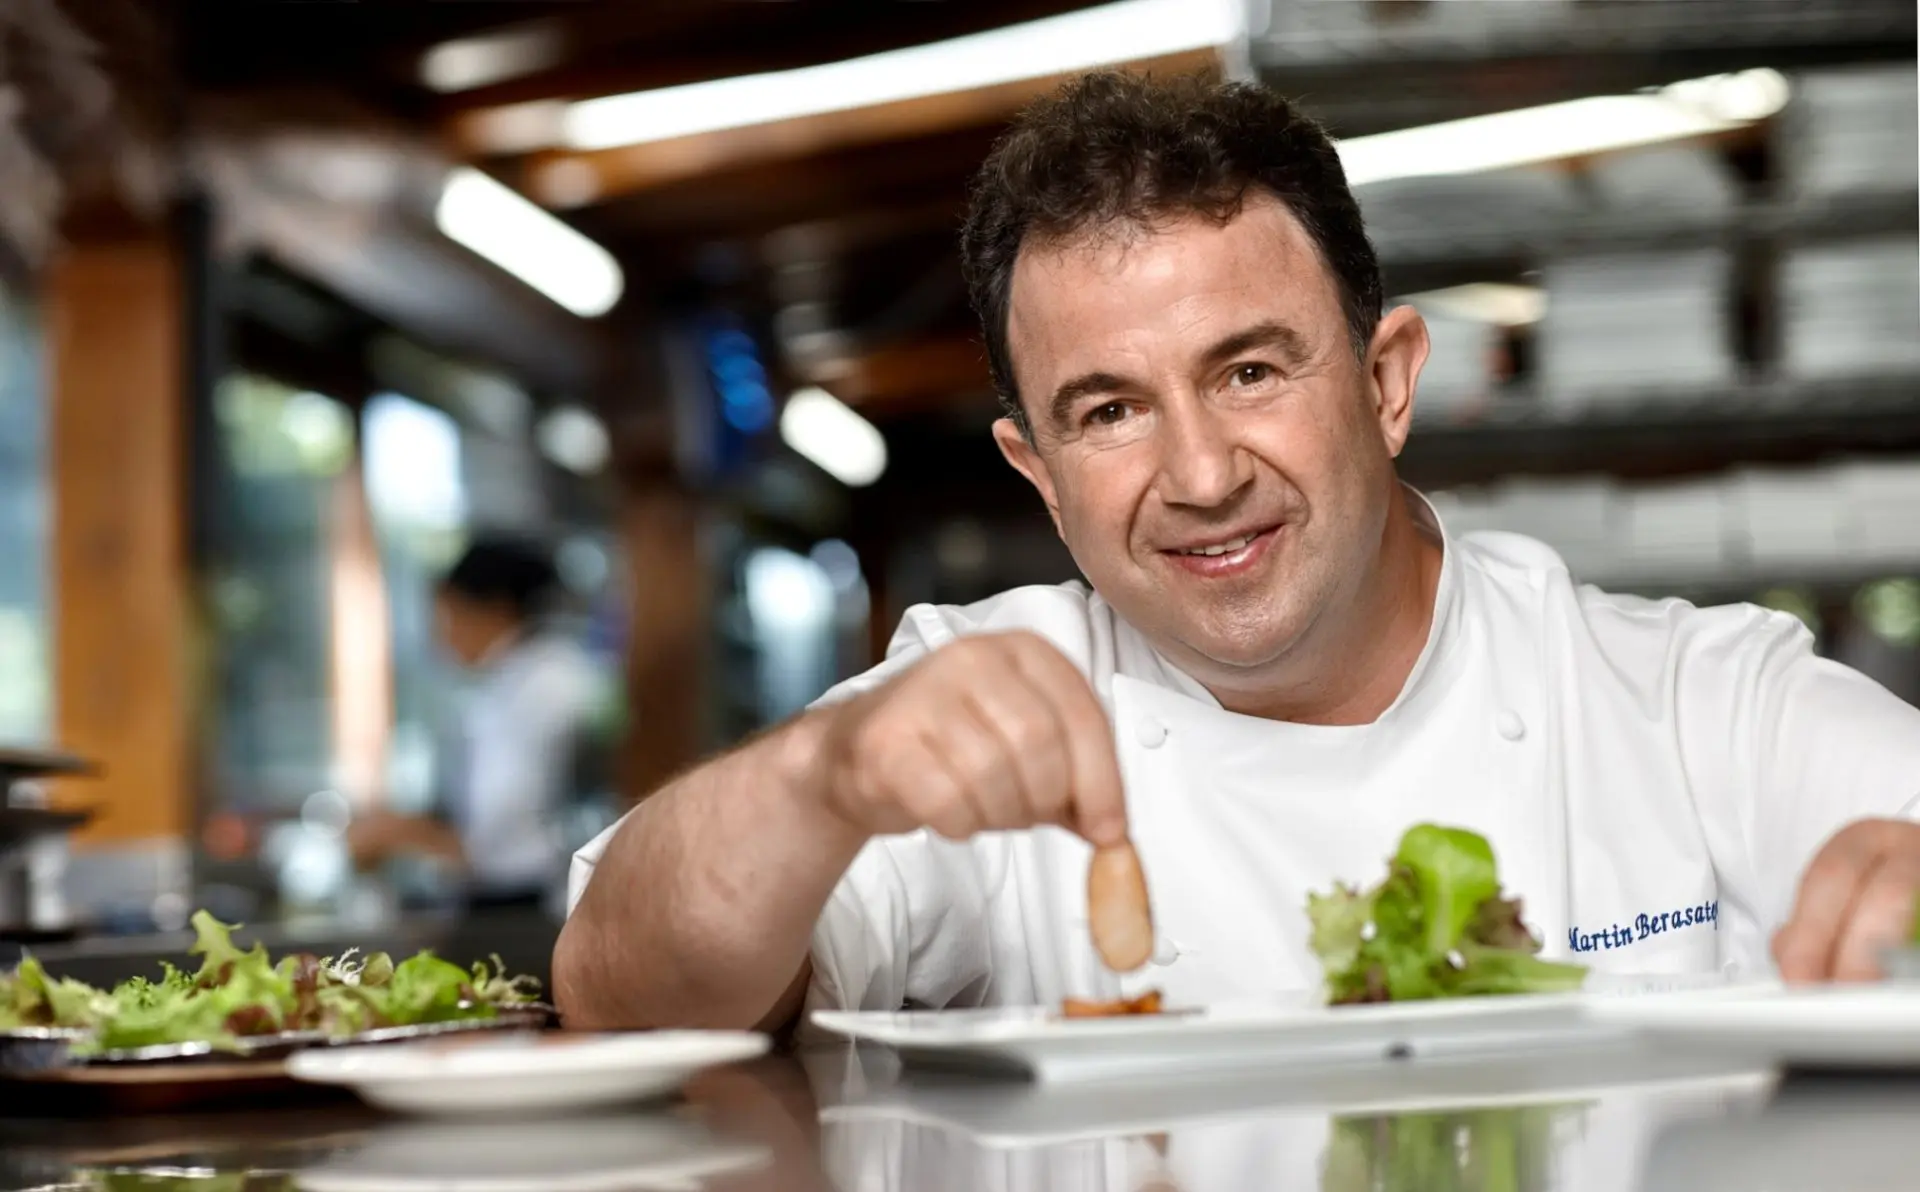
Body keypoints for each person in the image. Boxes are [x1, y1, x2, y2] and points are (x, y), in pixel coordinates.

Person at [555, 72, 1920, 1033]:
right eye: (1109, 411)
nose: (1202, 477)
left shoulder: (1689, 700)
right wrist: (817, 780)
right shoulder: (970, 703)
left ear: (1387, 383)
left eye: (1251, 371)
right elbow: (616, 996)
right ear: (1039, 475)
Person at [349, 533, 608, 913]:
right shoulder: (512, 679)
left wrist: (402, 833)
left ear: (495, 609)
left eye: (449, 616)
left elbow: (499, 828)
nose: (441, 635)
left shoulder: (547, 683)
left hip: (532, 902)